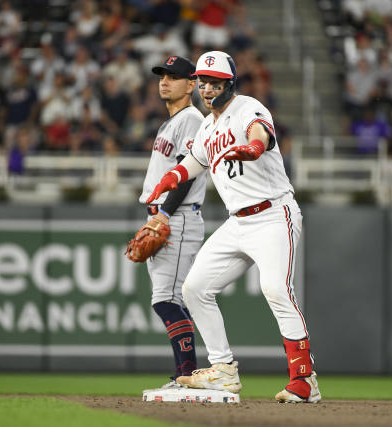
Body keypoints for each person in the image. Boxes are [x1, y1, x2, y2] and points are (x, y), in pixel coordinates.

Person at [145, 51, 321, 403]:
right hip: (237, 221)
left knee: (275, 289)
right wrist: (169, 179)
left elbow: (261, 133)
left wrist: (255, 147)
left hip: (273, 214)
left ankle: (304, 379)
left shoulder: (247, 107)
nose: (207, 89)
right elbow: (193, 162)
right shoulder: (208, 127)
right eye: (203, 82)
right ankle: (223, 369)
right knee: (194, 289)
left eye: (215, 82)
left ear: (229, 84)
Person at [130, 56, 206, 388]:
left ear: (192, 85)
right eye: (162, 75)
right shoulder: (172, 121)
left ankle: (187, 375)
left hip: (175, 216)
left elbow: (186, 174)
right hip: (166, 216)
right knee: (170, 299)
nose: (165, 80)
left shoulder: (190, 118)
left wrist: (163, 213)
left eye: (174, 76)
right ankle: (184, 375)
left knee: (167, 300)